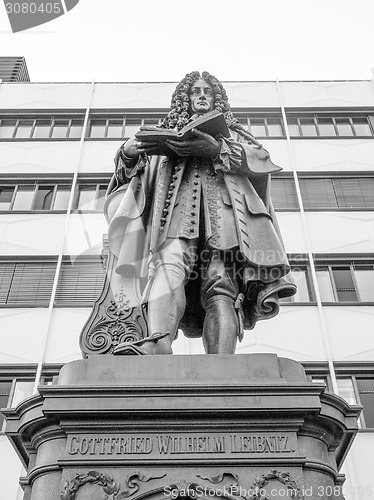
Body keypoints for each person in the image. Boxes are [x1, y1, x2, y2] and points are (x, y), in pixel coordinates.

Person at [105, 71, 296, 355]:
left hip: (228, 218)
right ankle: (158, 342)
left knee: (221, 286)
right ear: (186, 99)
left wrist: (217, 148)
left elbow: (261, 160)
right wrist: (129, 152)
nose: (202, 95)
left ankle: (222, 359)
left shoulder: (235, 134)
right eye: (196, 91)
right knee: (168, 270)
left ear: (217, 98)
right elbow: (134, 175)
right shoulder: (165, 130)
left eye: (208, 91)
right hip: (174, 215)